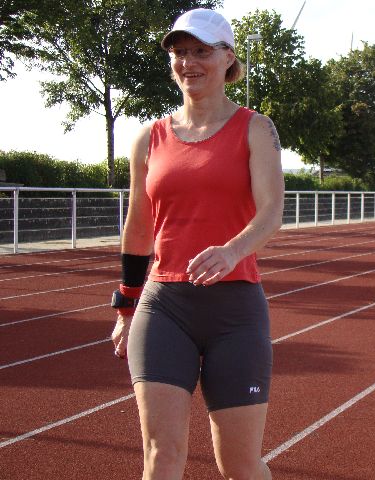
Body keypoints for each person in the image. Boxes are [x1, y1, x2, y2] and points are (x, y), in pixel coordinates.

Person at [110, 8, 284, 479]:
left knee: (239, 464)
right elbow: (139, 227)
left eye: (201, 51)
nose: (188, 62)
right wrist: (125, 306)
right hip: (164, 307)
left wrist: (232, 250)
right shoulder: (149, 137)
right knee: (161, 455)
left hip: (235, 311)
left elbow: (272, 212)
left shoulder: (256, 128)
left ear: (228, 58)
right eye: (180, 52)